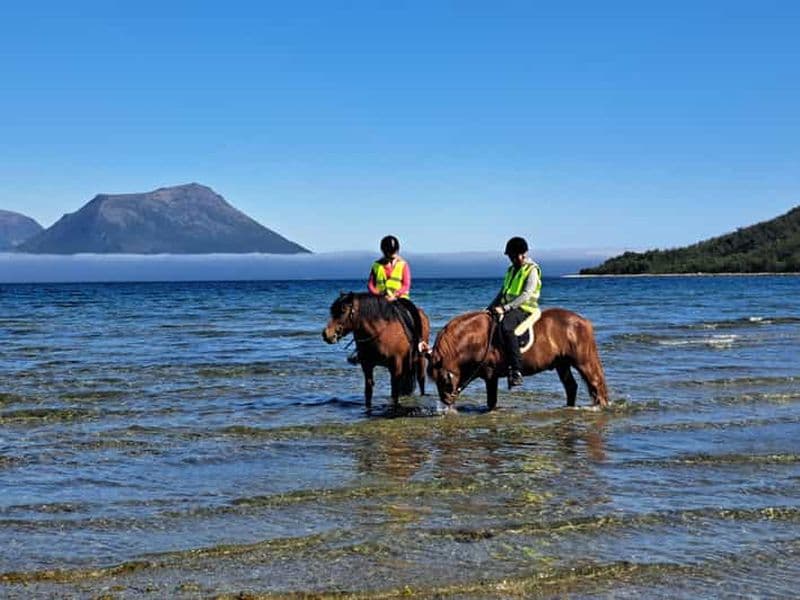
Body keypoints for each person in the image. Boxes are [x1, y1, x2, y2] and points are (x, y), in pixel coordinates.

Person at [348, 235, 424, 364]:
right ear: (383, 251)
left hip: (399, 298)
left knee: (413, 313)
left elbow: (406, 284)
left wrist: (395, 295)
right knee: (361, 318)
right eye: (388, 253)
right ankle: (360, 350)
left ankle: (419, 342)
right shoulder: (376, 265)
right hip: (379, 299)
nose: (391, 256)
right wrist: (379, 295)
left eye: (393, 253)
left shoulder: (403, 265)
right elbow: (371, 284)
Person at [487, 236, 542, 388]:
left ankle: (516, 370)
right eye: (510, 256)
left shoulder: (532, 270)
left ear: (522, 254)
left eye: (513, 256)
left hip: (525, 308)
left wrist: (505, 308)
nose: (511, 259)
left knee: (506, 327)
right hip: (509, 307)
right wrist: (488, 308)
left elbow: (526, 294)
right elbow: (503, 292)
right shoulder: (511, 270)